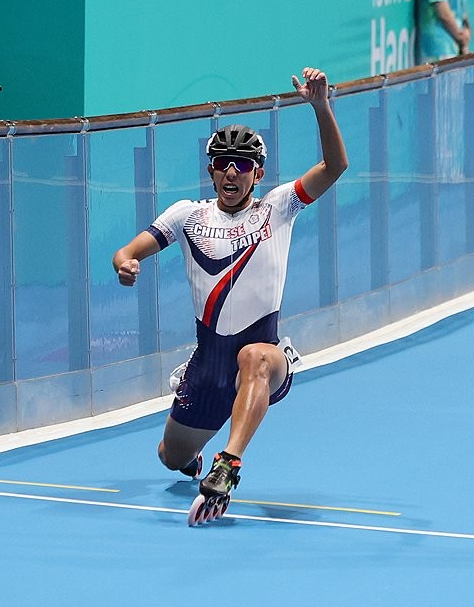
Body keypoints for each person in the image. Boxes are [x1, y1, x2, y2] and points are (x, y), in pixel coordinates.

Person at [111, 67, 348, 526]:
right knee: (169, 455)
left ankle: (227, 465)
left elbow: (335, 166)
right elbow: (130, 248)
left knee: (256, 359)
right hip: (208, 365)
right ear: (211, 171)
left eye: (242, 164)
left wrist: (321, 107)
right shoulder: (188, 215)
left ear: (257, 173)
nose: (232, 172)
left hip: (264, 357)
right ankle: (194, 459)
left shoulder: (278, 207)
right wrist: (125, 262)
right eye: (223, 163)